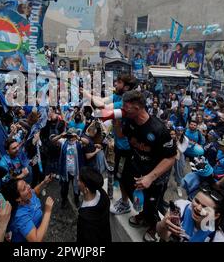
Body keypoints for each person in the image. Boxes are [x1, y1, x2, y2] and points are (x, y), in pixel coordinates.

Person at [111, 90, 177, 243]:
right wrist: (117, 122)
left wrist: (150, 177)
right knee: (131, 190)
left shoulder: (159, 129)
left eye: (125, 106)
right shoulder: (129, 120)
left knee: (151, 204)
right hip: (137, 165)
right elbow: (121, 135)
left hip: (156, 174)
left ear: (137, 107)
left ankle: (154, 226)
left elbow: (171, 158)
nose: (122, 109)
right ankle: (141, 216)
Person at [156, 186, 224, 242]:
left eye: (204, 207)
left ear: (215, 215)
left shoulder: (217, 238)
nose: (198, 208)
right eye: (197, 201)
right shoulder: (181, 207)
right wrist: (163, 225)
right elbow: (162, 235)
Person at [1, 177, 54, 242]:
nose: (29, 186)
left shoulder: (28, 195)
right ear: (18, 199)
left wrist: (43, 183)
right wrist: (48, 211)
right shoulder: (20, 215)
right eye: (24, 188)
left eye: (26, 183)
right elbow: (36, 240)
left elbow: (35, 191)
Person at [51, 128, 90, 208]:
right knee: (64, 189)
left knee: (77, 188)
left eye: (72, 136)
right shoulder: (63, 142)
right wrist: (60, 135)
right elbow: (52, 140)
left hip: (76, 172)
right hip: (65, 172)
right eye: (69, 136)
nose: (71, 138)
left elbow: (87, 142)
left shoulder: (79, 143)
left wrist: (78, 137)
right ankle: (64, 200)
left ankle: (76, 200)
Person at [77, 167, 111, 243]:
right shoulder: (103, 195)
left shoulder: (86, 220)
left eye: (79, 180)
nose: (77, 179)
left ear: (86, 190)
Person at [171, 127, 189, 198]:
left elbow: (182, 150)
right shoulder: (172, 135)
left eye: (182, 131)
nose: (180, 132)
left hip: (179, 157)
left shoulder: (185, 139)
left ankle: (179, 187)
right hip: (170, 155)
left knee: (179, 172)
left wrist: (177, 142)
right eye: (178, 130)